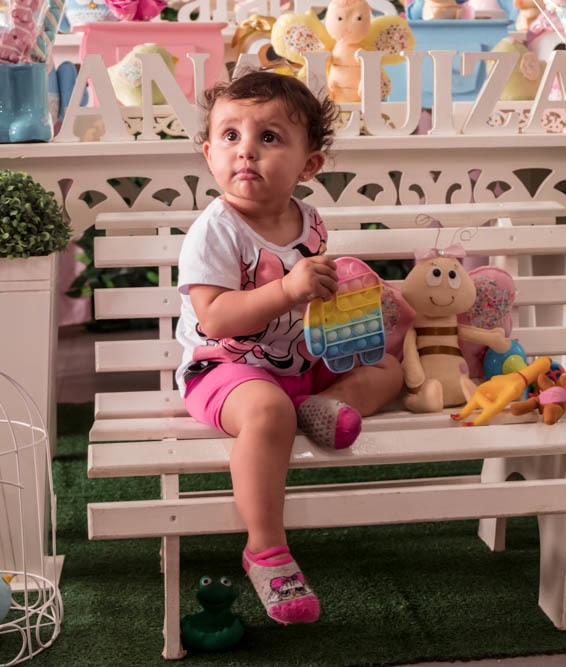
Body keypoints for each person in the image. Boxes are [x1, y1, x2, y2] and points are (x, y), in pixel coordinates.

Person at [175, 71, 404, 625]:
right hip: (224, 370)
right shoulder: (216, 230)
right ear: (209, 154)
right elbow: (215, 316)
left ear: (309, 165)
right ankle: (266, 548)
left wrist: (342, 300)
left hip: (298, 361)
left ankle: (322, 406)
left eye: (269, 137)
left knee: (389, 370)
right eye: (230, 136)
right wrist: (287, 290)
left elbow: (308, 298)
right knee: (267, 411)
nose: (246, 150)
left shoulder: (310, 222)